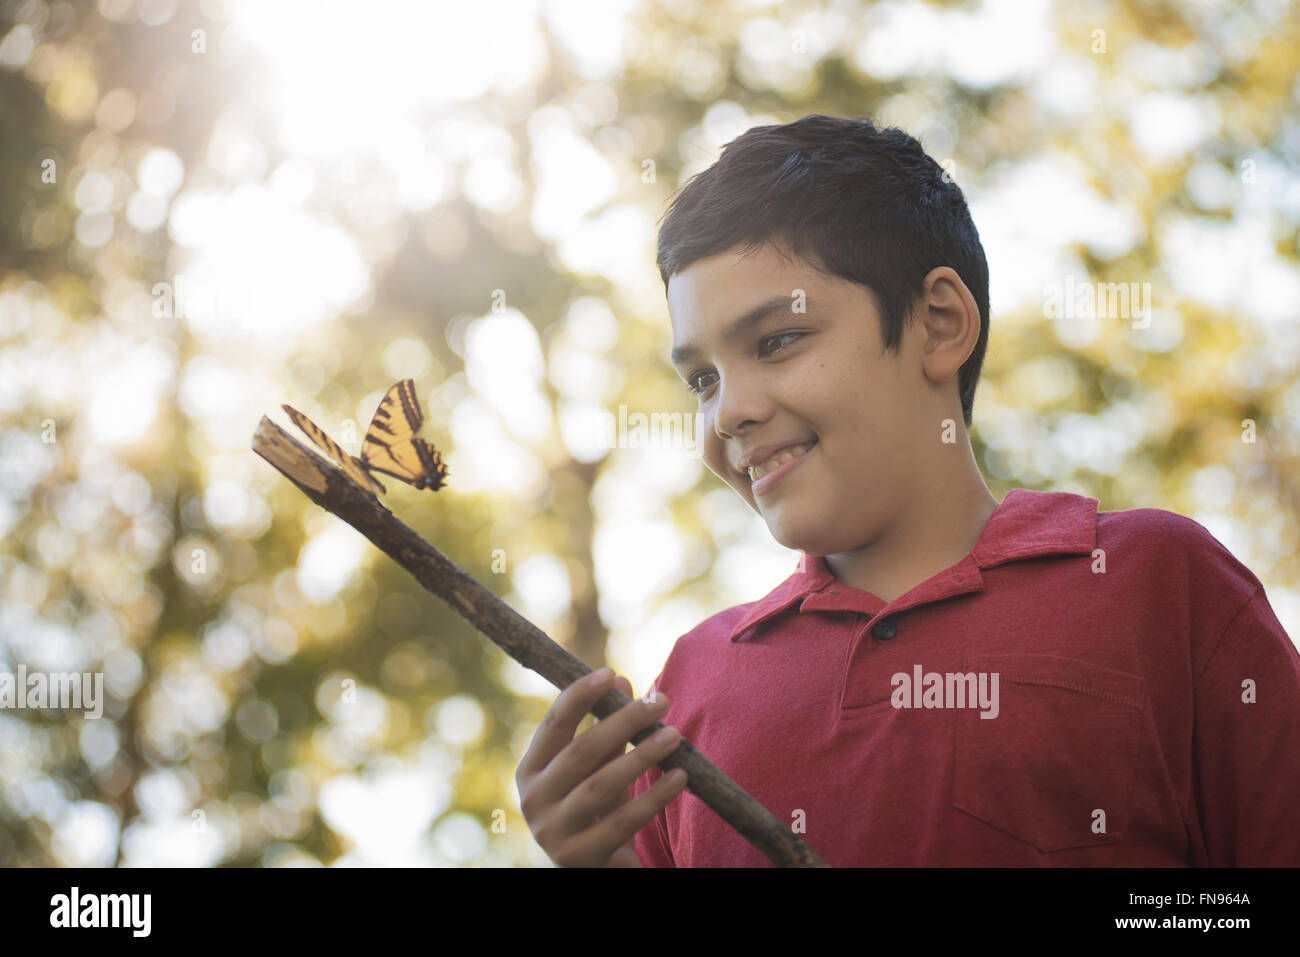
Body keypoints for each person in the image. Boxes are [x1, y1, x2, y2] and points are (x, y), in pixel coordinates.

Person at [515, 114, 1300, 867]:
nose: (732, 408)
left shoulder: (1158, 585)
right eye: (702, 379)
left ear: (938, 324)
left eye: (778, 340)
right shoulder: (688, 691)